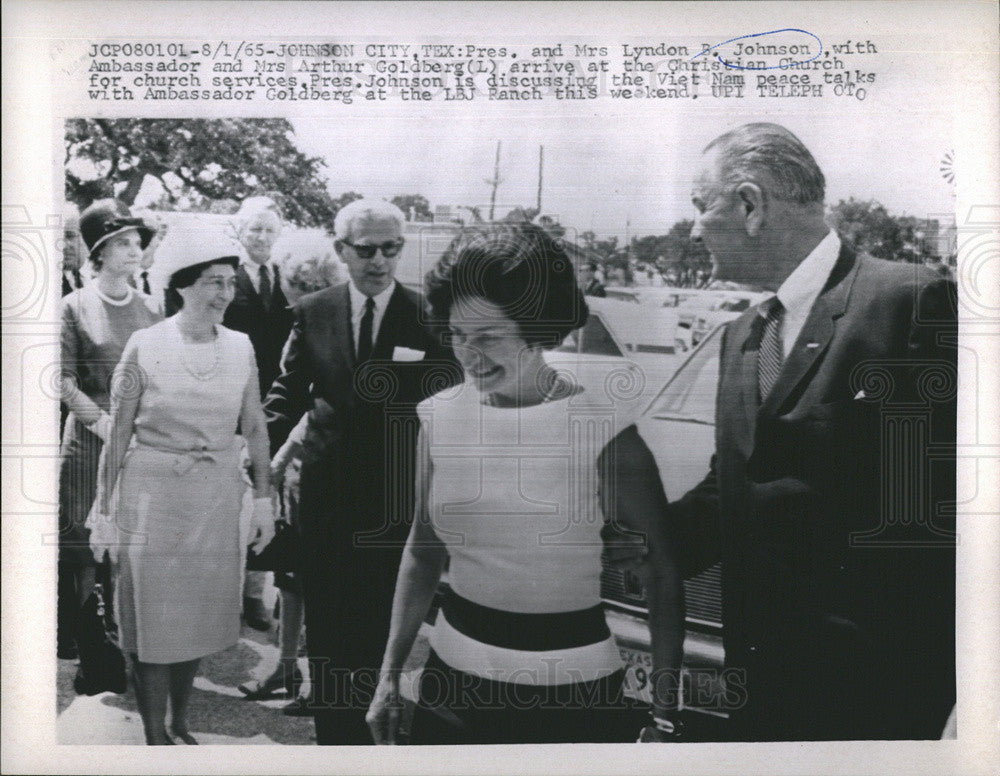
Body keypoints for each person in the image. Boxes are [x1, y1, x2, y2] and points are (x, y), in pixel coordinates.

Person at [658, 122, 957, 740]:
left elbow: (955, 509)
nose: (692, 229)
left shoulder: (908, 301)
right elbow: (735, 486)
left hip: (876, 692)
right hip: (761, 678)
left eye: (698, 207)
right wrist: (642, 541)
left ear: (749, 205)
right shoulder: (742, 335)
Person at [365, 222, 685, 745]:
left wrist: (666, 718)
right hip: (449, 694)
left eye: (489, 337)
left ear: (539, 328)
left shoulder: (603, 428)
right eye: (457, 334)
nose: (468, 354)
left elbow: (662, 578)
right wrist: (386, 679)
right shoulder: (437, 417)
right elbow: (422, 553)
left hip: (574, 705)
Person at [264, 198, 459, 744]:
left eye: (391, 248)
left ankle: (373, 745)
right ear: (341, 250)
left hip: (395, 506)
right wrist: (261, 449)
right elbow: (287, 392)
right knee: (327, 639)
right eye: (366, 249)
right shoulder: (313, 310)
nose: (379, 260)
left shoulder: (426, 318)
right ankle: (334, 745)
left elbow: (449, 404)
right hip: (324, 504)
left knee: (378, 638)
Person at [89, 226, 276, 744]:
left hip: (215, 496)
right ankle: (154, 734)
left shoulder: (241, 346)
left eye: (231, 283)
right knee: (152, 620)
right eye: (214, 282)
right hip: (152, 497)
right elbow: (119, 432)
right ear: (183, 286)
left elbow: (255, 424)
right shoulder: (143, 345)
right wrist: (104, 510)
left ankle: (182, 721)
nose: (225, 294)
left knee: (194, 616)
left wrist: (262, 497)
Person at [238, 231, 346, 710]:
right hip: (296, 470)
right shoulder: (304, 322)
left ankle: (320, 683)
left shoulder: (337, 324)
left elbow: (330, 401)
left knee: (318, 577)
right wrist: (258, 445)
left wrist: (280, 451)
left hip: (329, 465)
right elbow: (288, 389)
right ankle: (284, 667)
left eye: (303, 286)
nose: (295, 296)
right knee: (290, 571)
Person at [58, 200, 161, 665]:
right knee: (82, 547)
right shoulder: (73, 306)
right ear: (99, 251)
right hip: (86, 445)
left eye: (137, 242)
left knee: (126, 546)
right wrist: (101, 424)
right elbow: (61, 380)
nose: (134, 250)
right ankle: (85, 644)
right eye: (123, 243)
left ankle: (123, 637)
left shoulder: (152, 308)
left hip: (137, 447)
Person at [224, 197, 295, 631]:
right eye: (254, 229)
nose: (262, 237)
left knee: (263, 502)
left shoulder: (286, 280)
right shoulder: (224, 277)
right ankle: (221, 593)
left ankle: (254, 595)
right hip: (231, 404)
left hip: (275, 407)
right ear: (239, 232)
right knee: (228, 501)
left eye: (269, 229)